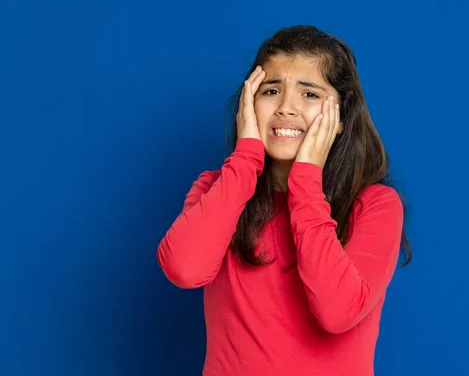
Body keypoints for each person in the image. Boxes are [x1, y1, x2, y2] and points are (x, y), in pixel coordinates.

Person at [156, 25, 412, 376]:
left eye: (309, 94)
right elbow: (184, 270)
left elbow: (338, 313)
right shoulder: (217, 189)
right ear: (248, 103)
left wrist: (306, 181)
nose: (286, 109)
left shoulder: (376, 205)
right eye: (271, 90)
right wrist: (245, 160)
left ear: (340, 119)